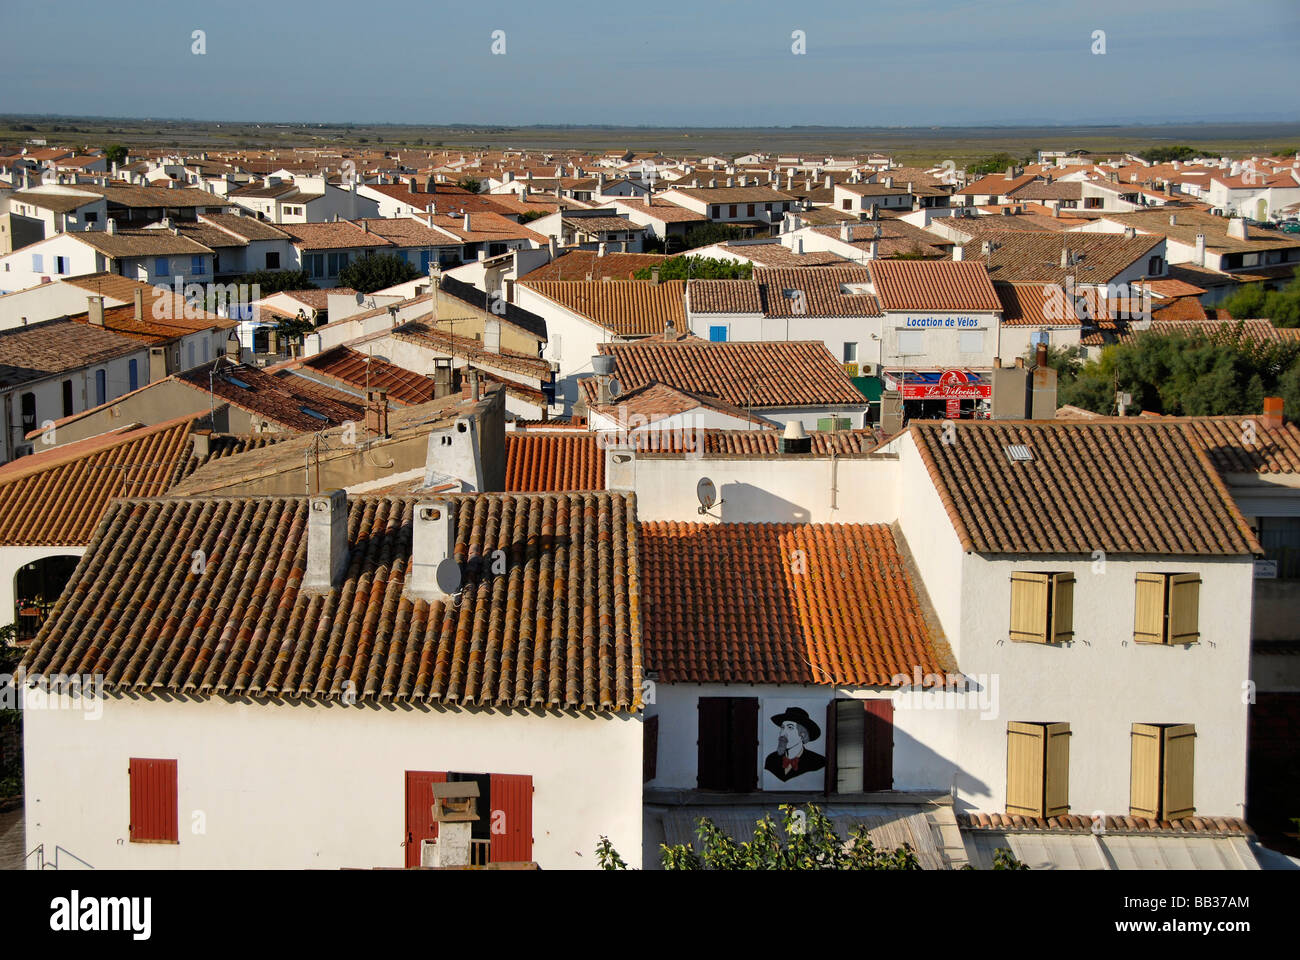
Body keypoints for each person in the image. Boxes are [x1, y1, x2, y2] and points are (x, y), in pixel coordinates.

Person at [763, 707, 825, 782]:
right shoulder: (771, 760)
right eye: (782, 728)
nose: (782, 733)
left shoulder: (818, 762)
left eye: (790, 727)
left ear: (802, 735)